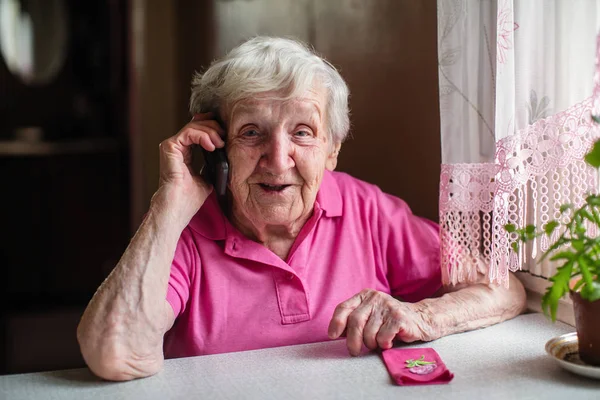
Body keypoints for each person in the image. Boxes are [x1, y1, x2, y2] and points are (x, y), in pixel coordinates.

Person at [76, 37, 526, 381]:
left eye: (303, 132)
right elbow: (115, 353)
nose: (278, 158)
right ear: (218, 146)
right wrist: (168, 203)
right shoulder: (184, 231)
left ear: (332, 150)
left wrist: (423, 316)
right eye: (251, 132)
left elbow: (501, 288)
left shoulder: (365, 209)